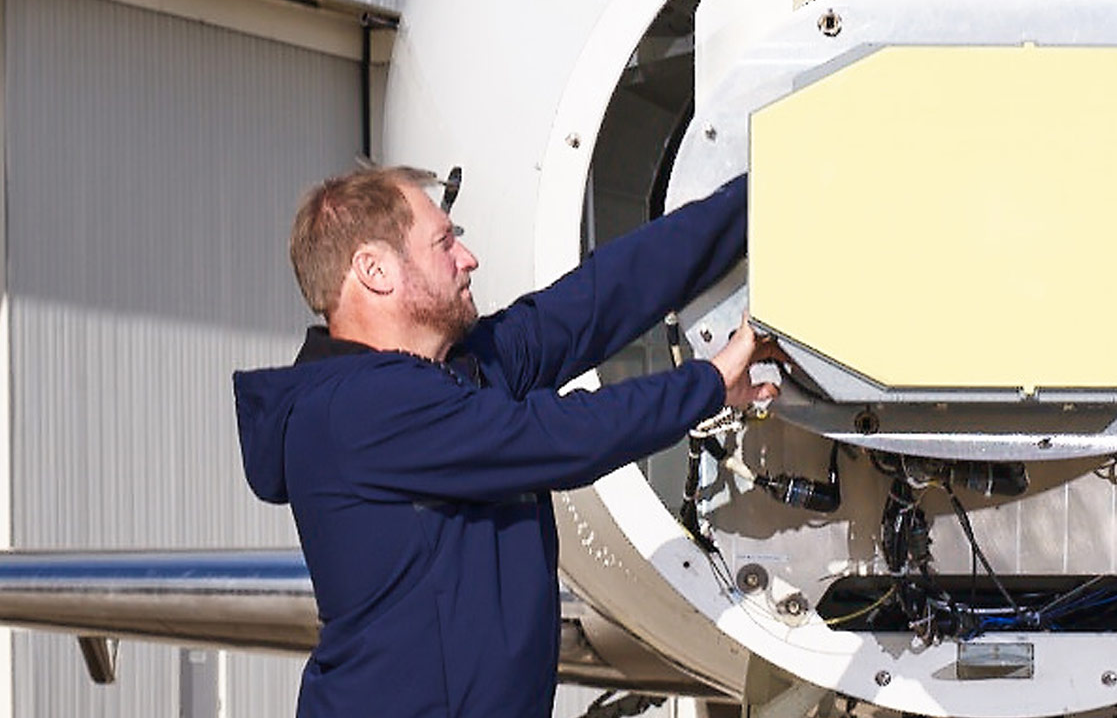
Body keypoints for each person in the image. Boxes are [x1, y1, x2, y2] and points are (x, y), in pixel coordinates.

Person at [234, 165, 778, 718]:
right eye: (444, 242)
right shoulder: (352, 410)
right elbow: (554, 436)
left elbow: (600, 298)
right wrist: (707, 384)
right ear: (375, 270)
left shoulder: (461, 371)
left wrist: (760, 194)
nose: (468, 259)